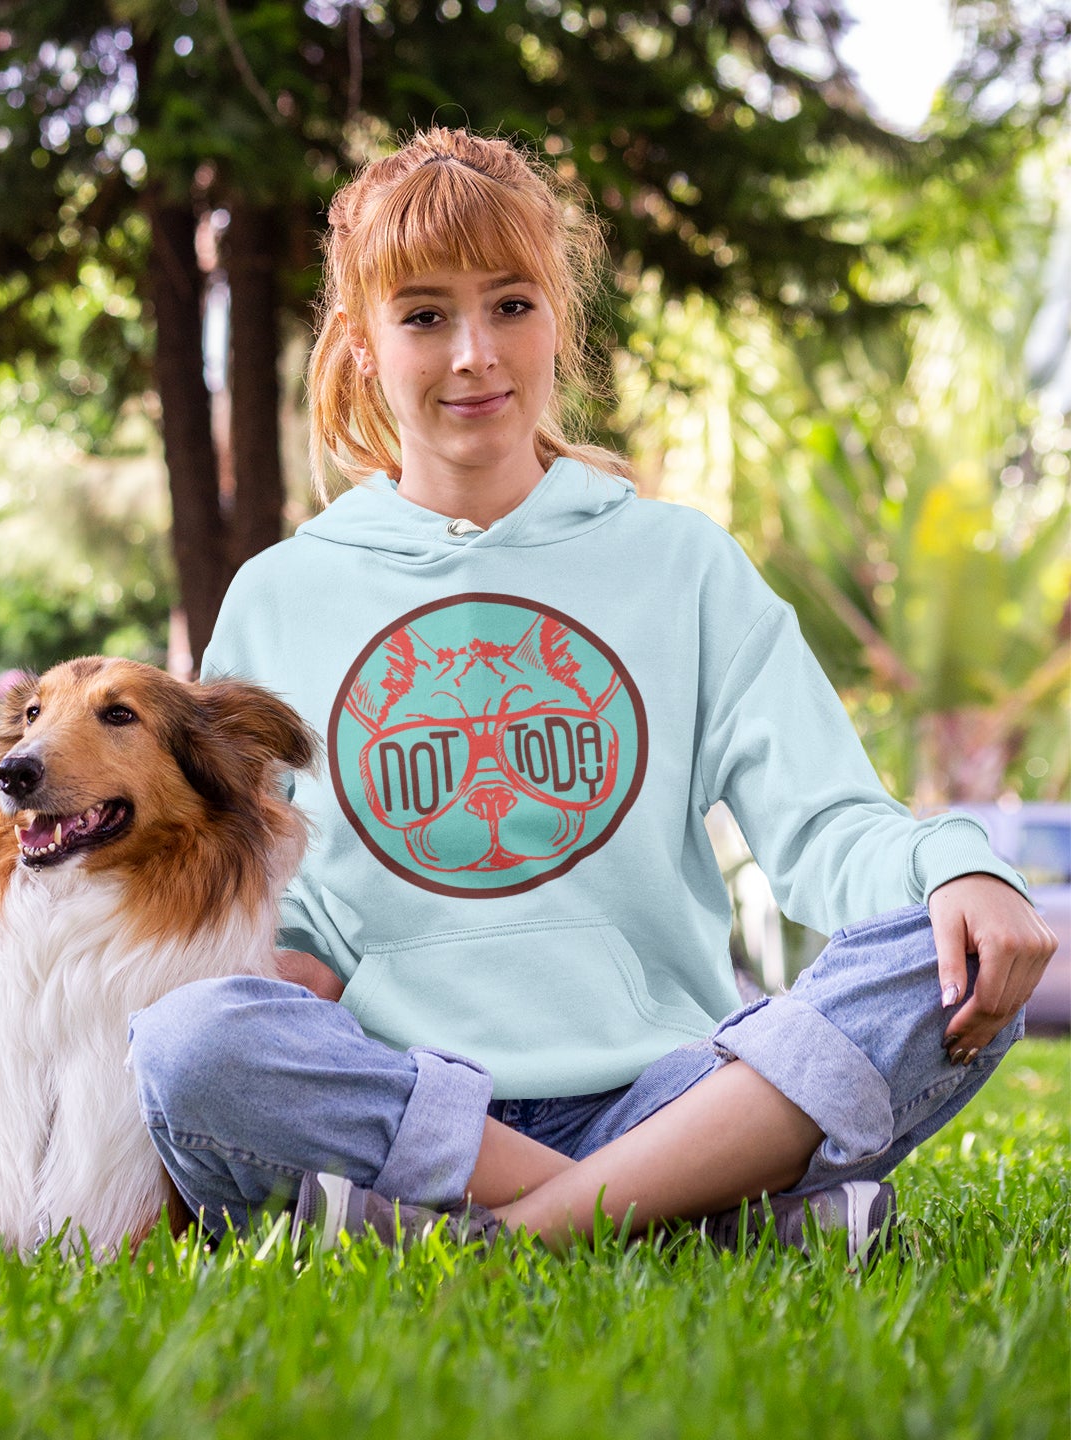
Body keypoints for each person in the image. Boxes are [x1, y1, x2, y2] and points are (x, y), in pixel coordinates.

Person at [127, 128, 1057, 1258]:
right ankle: (702, 1209)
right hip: (412, 1105)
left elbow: (825, 827)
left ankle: (491, 1235)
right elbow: (295, 912)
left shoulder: (681, 564)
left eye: (510, 304)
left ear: (557, 317)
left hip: (669, 1087)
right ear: (362, 346)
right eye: (424, 316)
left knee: (940, 957)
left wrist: (957, 865)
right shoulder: (281, 595)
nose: (475, 354)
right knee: (189, 1041)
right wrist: (252, 998)